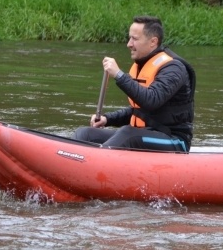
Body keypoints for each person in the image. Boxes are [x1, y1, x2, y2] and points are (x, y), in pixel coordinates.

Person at [73, 15, 196, 152]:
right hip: (141, 134)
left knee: (128, 134)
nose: (129, 44)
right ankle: (71, 159)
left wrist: (119, 75)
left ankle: (93, 164)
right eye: (130, 38)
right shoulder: (141, 66)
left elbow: (151, 100)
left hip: (174, 140)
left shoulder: (173, 69)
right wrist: (107, 119)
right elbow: (138, 111)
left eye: (135, 39)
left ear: (153, 42)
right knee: (85, 133)